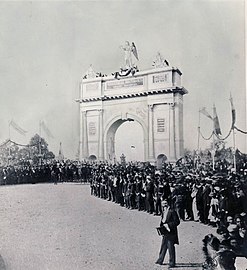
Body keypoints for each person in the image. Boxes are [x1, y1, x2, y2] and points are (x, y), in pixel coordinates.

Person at [155, 198, 180, 268]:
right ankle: (160, 260)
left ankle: (172, 262)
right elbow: (162, 220)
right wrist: (161, 227)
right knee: (163, 246)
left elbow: (177, 222)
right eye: (163, 204)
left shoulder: (172, 211)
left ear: (168, 204)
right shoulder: (163, 211)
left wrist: (168, 225)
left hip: (171, 232)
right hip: (165, 231)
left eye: (165, 203)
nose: (164, 205)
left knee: (170, 247)